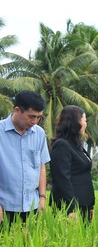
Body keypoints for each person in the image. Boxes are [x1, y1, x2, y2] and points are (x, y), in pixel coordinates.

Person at [0, 90, 50, 226]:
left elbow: (41, 166)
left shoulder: (39, 133)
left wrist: (42, 197)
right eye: (31, 116)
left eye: (38, 117)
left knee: (30, 246)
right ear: (17, 110)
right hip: (4, 207)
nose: (35, 121)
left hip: (32, 206)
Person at [50, 106, 95, 221]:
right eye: (84, 120)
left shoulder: (76, 145)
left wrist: (91, 205)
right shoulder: (62, 145)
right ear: (76, 122)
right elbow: (62, 179)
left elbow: (84, 176)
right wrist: (71, 209)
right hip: (70, 206)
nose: (86, 124)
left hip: (84, 204)